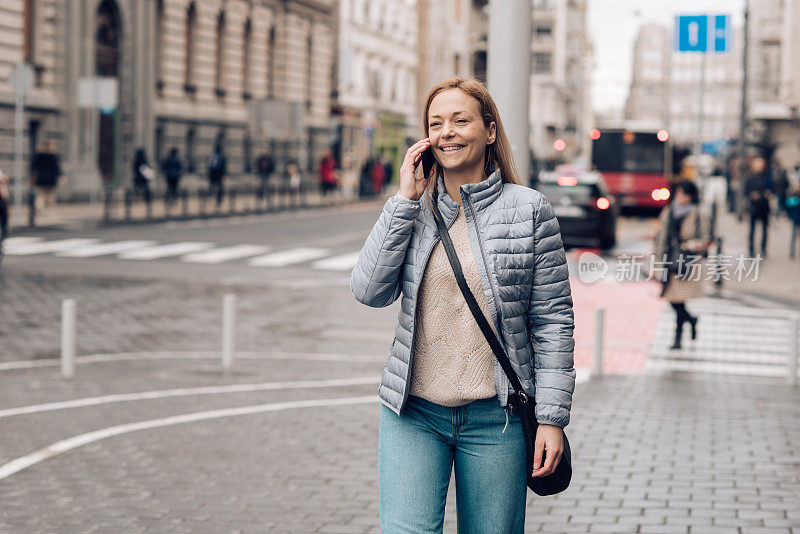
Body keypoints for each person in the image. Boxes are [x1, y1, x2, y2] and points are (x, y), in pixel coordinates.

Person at [350, 77, 575, 531]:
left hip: (499, 420)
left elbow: (552, 321)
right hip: (412, 411)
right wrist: (403, 201)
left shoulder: (529, 210)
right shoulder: (412, 209)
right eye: (436, 123)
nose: (447, 132)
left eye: (460, 120)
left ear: (489, 130)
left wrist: (551, 418)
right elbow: (369, 290)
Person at [654, 180, 710, 350]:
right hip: (670, 260)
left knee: (678, 298)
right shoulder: (669, 211)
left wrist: (691, 245)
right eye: (678, 193)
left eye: (684, 194)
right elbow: (661, 237)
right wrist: (657, 261)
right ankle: (691, 320)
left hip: (688, 262)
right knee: (673, 299)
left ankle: (677, 339)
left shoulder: (699, 213)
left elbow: (705, 239)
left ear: (691, 195)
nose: (680, 197)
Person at [744, 156, 772, 257]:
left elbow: (771, 188)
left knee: (765, 229)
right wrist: (752, 195)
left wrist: (767, 193)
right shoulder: (750, 177)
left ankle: (763, 248)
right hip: (754, 206)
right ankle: (751, 249)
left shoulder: (767, 176)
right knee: (752, 229)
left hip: (764, 206)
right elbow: (746, 191)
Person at [30, 139, 62, 208]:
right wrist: (60, 175)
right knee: (49, 193)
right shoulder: (53, 155)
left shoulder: (39, 154)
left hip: (41, 176)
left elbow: (34, 166)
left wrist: (33, 175)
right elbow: (57, 167)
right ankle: (47, 205)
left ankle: (40, 205)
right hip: (50, 177)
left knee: (41, 192)